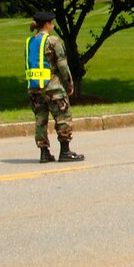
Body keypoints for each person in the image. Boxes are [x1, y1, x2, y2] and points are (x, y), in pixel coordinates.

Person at [25, 11, 85, 163]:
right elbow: (62, 65)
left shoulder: (30, 42)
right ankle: (65, 151)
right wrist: (69, 83)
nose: (53, 25)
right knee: (62, 117)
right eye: (52, 23)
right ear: (46, 24)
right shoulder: (53, 41)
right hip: (53, 87)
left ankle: (44, 153)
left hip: (34, 87)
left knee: (40, 120)